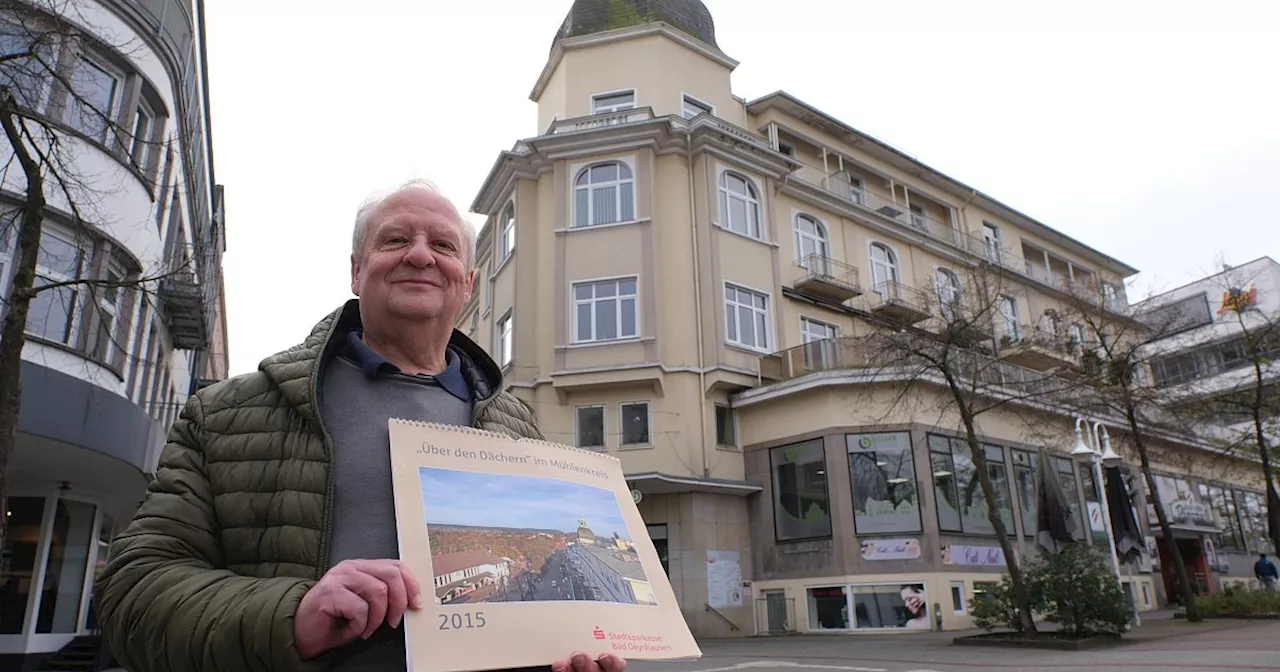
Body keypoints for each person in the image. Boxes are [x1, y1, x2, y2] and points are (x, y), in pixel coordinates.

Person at [92, 181, 628, 672]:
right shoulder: (230, 413)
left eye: (442, 246)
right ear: (356, 269)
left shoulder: (518, 428)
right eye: (396, 239)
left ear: (466, 284)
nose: (420, 254)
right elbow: (132, 593)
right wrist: (291, 616)